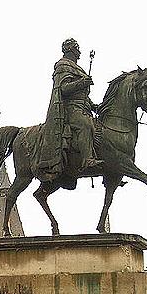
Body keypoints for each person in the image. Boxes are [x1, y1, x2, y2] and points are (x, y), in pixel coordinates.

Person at [37, 38, 101, 187]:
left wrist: (94, 106)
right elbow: (63, 89)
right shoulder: (62, 66)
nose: (79, 53)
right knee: (85, 125)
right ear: (70, 49)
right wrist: (82, 83)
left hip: (82, 107)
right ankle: (87, 160)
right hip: (70, 110)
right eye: (77, 49)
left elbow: (82, 96)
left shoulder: (77, 68)